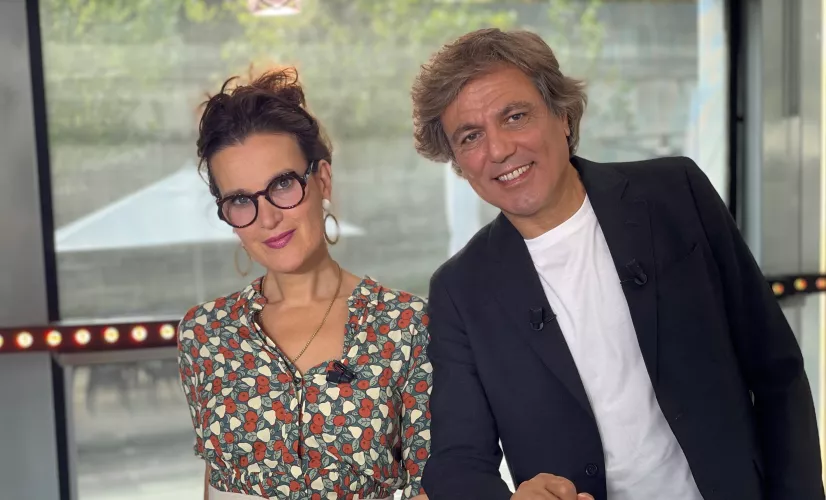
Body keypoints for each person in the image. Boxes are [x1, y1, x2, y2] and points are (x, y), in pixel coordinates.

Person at [410, 28, 823, 500]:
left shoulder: (676, 194)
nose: (499, 150)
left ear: (563, 116)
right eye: (471, 137)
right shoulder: (460, 290)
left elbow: (776, 371)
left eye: (515, 116)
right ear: (458, 162)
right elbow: (457, 462)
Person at [177, 67, 431, 500]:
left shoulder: (404, 325)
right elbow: (216, 481)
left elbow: (435, 483)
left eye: (282, 184)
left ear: (322, 180)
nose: (269, 217)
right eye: (240, 200)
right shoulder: (204, 334)